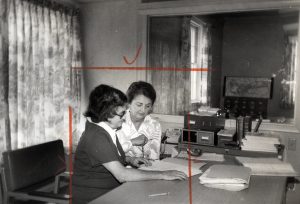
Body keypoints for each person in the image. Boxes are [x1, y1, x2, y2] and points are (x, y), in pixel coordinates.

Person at [72, 84, 186, 204]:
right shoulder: (97, 136)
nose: (124, 117)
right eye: (121, 114)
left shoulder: (106, 130)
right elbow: (122, 174)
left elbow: (106, 158)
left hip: (112, 191)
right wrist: (163, 174)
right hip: (95, 197)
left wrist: (129, 159)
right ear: (106, 114)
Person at [117, 81, 161, 160]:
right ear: (129, 103)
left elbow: (154, 156)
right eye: (139, 105)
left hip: (146, 169)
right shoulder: (117, 121)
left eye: (147, 106)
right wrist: (132, 142)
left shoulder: (155, 125)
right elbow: (111, 153)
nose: (143, 110)